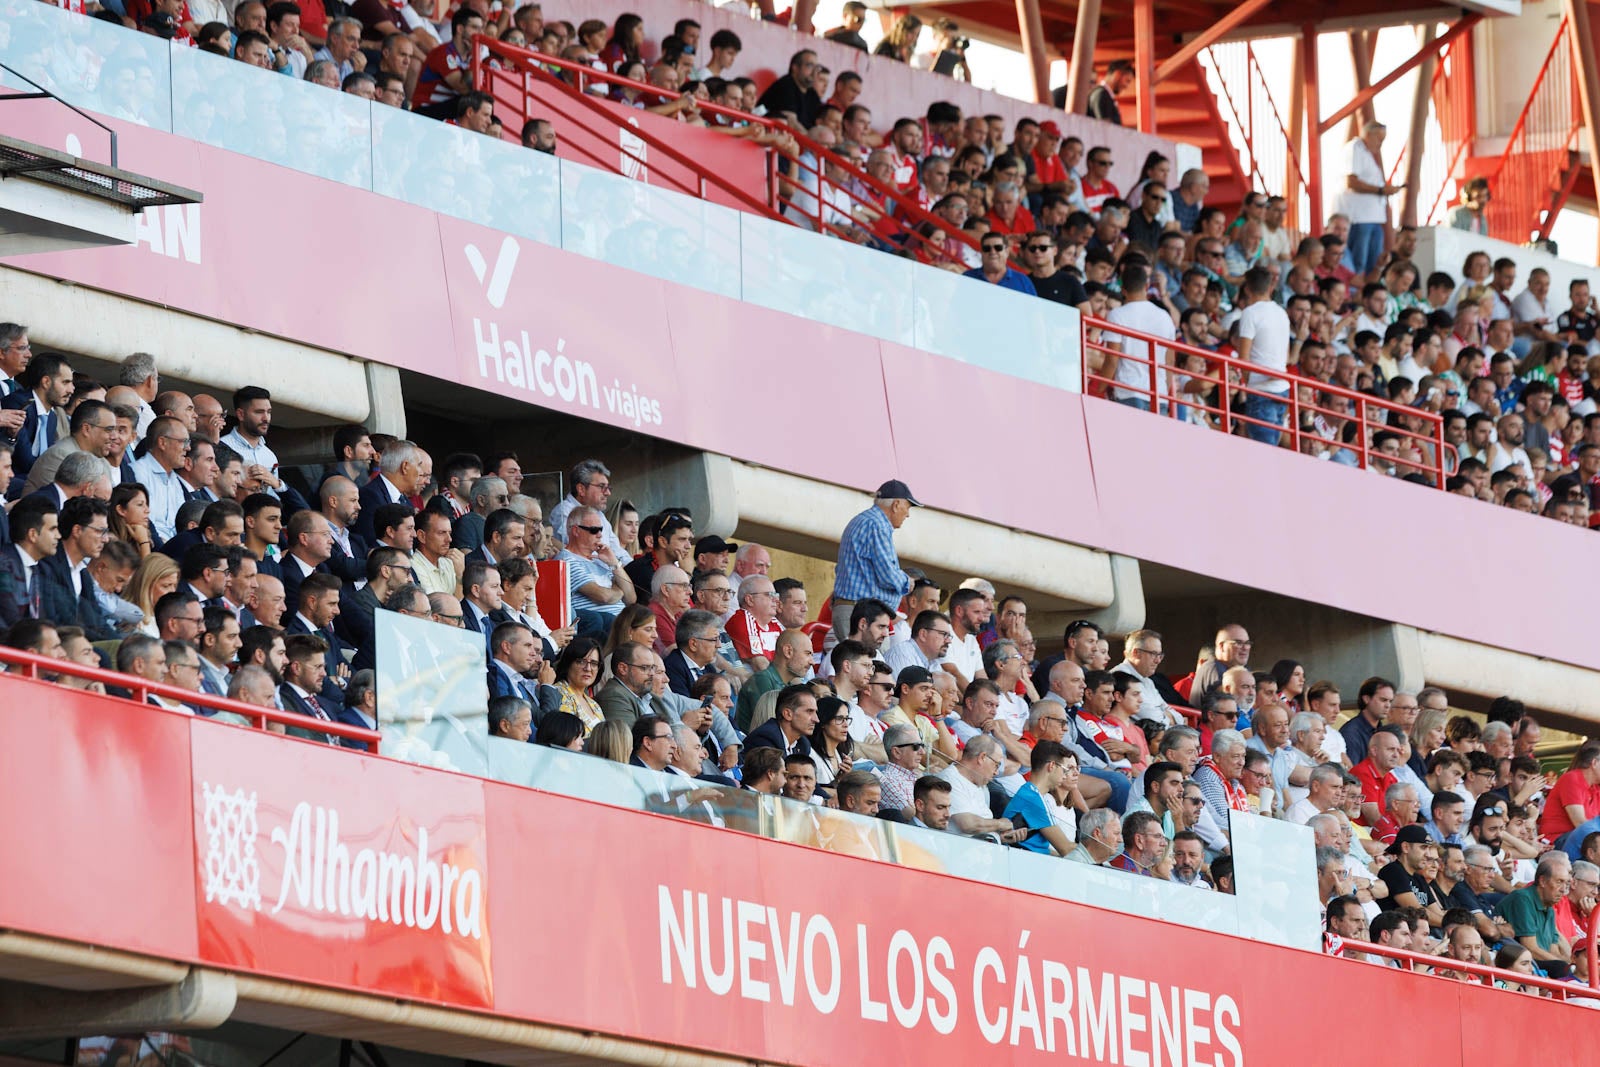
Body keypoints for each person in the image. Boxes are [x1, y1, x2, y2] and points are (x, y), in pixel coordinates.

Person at [831, 481, 918, 642]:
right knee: (866, 657)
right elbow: (887, 575)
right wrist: (908, 582)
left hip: (859, 611)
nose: (908, 514)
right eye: (907, 507)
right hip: (861, 613)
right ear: (896, 505)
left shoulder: (868, 521)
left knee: (869, 658)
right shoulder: (877, 525)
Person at [1086, 60, 1133, 126]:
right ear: (1117, 74)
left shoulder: (1102, 94)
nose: (1126, 86)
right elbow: (1105, 127)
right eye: (1127, 81)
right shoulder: (1102, 95)